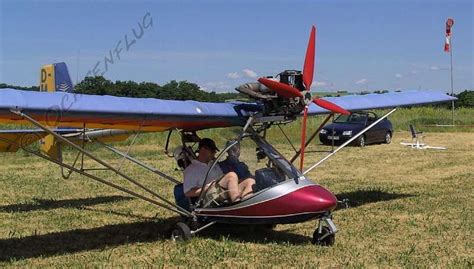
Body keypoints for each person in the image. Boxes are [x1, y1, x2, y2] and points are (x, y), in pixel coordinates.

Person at [183, 138, 255, 202]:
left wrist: (237, 181)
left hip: (223, 190)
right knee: (231, 175)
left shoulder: (213, 164)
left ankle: (247, 203)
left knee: (250, 181)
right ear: (203, 150)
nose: (214, 154)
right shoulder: (191, 169)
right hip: (210, 195)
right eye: (212, 151)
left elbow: (223, 178)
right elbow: (188, 192)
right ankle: (236, 202)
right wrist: (207, 188)